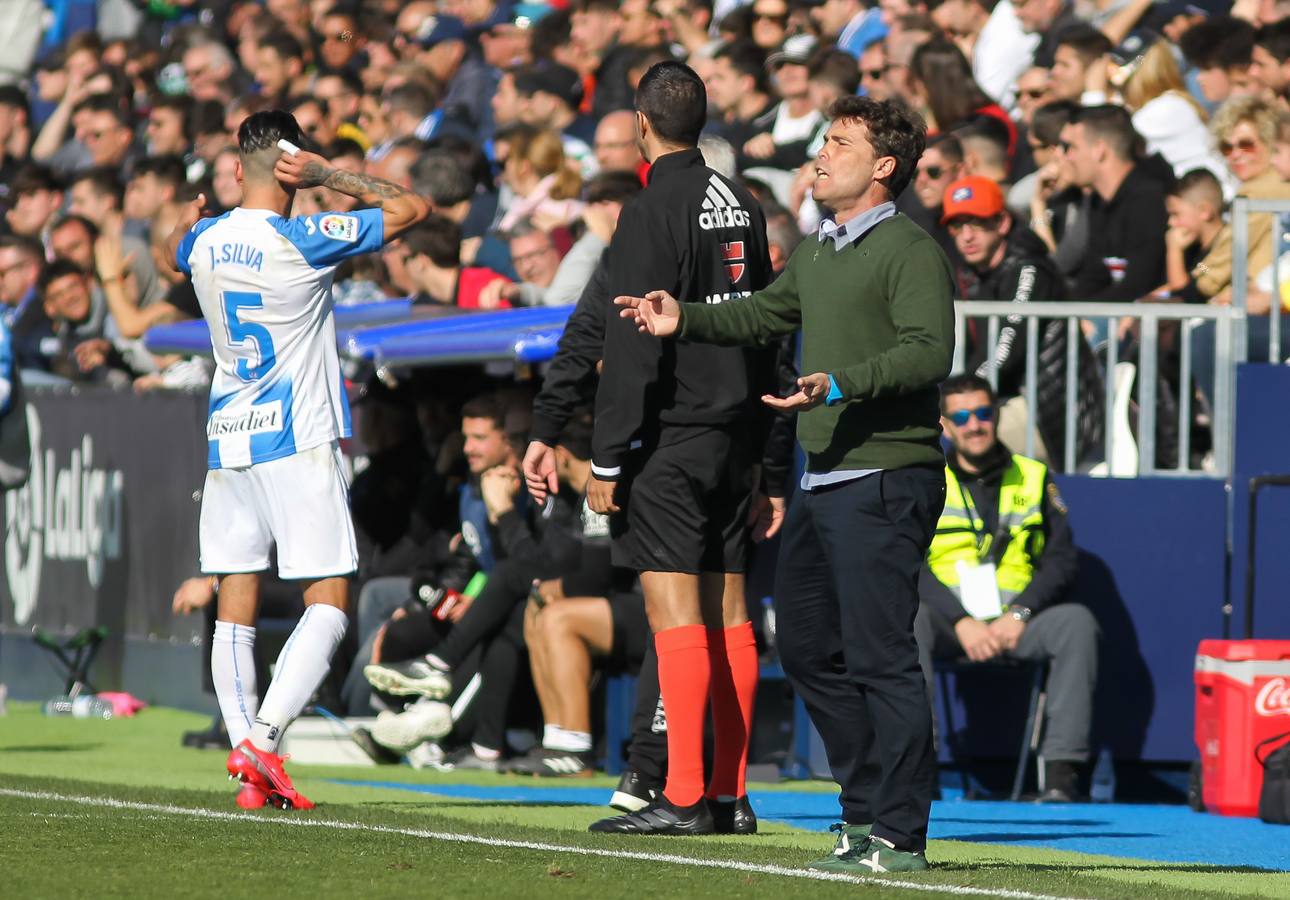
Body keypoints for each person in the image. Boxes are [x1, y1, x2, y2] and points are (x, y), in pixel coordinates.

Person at [617, 95, 954, 873]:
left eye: (839, 143)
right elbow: (762, 314)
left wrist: (840, 384)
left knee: (880, 657)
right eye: (823, 140)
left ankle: (900, 832)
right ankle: (865, 810)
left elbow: (928, 352)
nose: (820, 153)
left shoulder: (908, 249)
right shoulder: (820, 249)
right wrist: (684, 317)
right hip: (826, 479)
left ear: (883, 168)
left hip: (886, 476)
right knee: (803, 648)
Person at [164, 109, 429, 810]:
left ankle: (249, 759)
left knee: (234, 607)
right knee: (331, 601)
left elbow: (170, 251)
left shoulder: (206, 238)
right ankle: (265, 739)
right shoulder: (303, 238)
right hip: (297, 438)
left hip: (229, 438)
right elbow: (414, 207)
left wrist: (191, 214)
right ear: (289, 161)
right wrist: (329, 176)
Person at [583, 60, 777, 837]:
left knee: (675, 618)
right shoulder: (745, 202)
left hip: (674, 436)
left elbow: (632, 346)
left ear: (641, 123)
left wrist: (605, 456)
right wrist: (767, 458)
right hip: (736, 436)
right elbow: (765, 326)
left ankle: (686, 795)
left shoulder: (649, 208)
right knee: (731, 614)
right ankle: (730, 795)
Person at [917, 373, 1098, 803]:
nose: (973, 424)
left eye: (982, 413)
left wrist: (1019, 615)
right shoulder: (925, 477)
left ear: (996, 416)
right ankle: (918, 770)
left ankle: (1061, 777)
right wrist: (960, 621)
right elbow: (909, 563)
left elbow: (1061, 560)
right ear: (944, 424)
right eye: (960, 416)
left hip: (1016, 623)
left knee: (1077, 623)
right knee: (907, 621)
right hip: (949, 622)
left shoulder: (1034, 476)